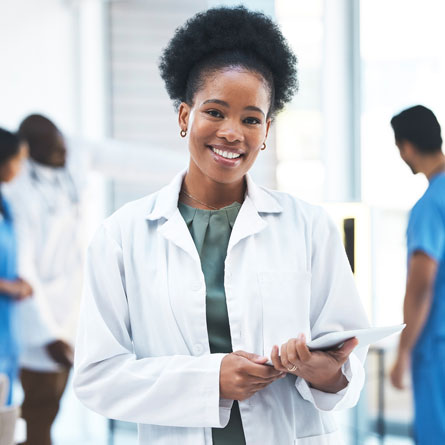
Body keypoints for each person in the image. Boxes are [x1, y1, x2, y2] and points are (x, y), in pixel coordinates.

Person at [73, 6, 369, 445]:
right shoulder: (122, 236)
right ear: (183, 117)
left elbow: (347, 369)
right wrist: (209, 380)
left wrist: (328, 375)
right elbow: (97, 378)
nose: (232, 132)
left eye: (251, 119)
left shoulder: (308, 227)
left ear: (266, 130)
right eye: (215, 112)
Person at [4, 115, 84, 445]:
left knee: (43, 411)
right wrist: (48, 333)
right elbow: (23, 270)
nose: (63, 153)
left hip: (59, 316)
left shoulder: (13, 202)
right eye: (17, 159)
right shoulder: (15, 200)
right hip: (29, 326)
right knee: (39, 411)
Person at [389, 105, 445, 443]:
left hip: (438, 349)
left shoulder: (430, 206)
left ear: (406, 148)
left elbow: (421, 285)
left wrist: (403, 353)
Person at [0, 128, 32, 406]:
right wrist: (8, 286)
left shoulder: (5, 203)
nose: (21, 168)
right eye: (18, 160)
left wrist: (17, 280)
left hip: (7, 328)